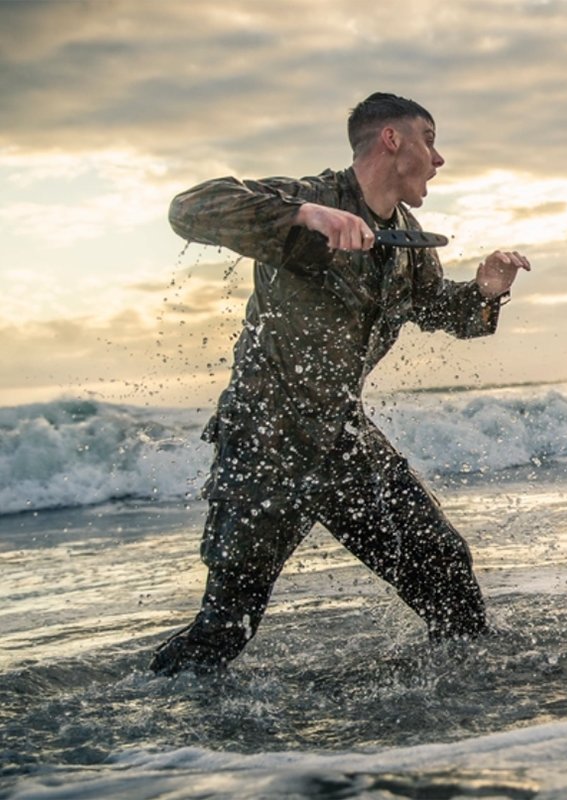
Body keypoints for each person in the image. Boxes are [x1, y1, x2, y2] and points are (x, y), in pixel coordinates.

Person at [150, 93, 531, 675]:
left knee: (448, 576)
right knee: (225, 629)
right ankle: (150, 744)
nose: (439, 157)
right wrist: (306, 217)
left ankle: (456, 712)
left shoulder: (407, 237)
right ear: (392, 140)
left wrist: (485, 290)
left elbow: (438, 311)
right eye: (429, 138)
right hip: (267, 440)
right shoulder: (310, 199)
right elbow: (191, 208)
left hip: (342, 437)